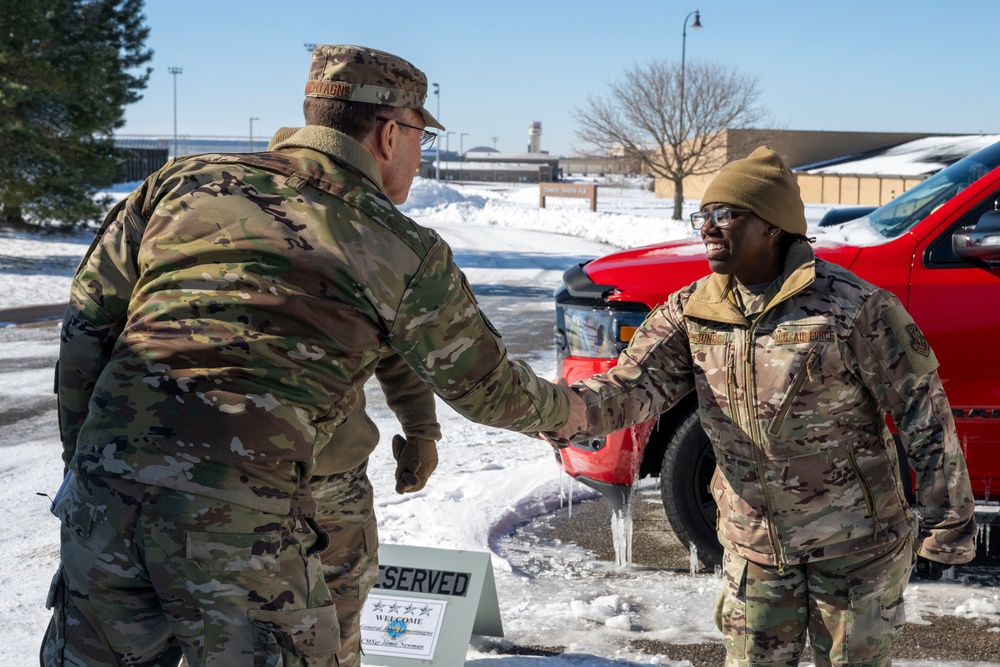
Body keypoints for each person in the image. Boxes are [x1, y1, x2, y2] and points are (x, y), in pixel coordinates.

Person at [44, 44, 574, 667]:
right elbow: (490, 389)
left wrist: (87, 462)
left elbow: (87, 330)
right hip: (245, 524)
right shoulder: (399, 245)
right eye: (419, 138)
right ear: (387, 133)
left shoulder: (180, 184)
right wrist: (581, 414)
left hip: (105, 508)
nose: (419, 155)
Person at [548, 146, 977, 667]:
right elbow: (633, 388)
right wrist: (558, 411)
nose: (708, 228)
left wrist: (946, 525)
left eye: (725, 215)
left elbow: (923, 415)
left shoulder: (852, 307)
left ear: (773, 226)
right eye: (703, 215)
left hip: (854, 552)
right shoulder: (693, 310)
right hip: (754, 552)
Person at [266, 122, 444, 667]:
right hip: (244, 480)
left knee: (336, 628)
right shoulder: (218, 230)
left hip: (328, 480)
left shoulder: (360, 239)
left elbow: (397, 350)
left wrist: (421, 430)